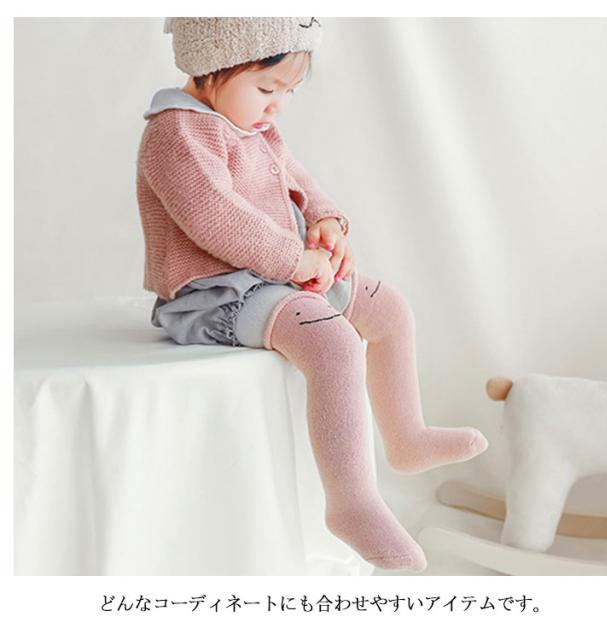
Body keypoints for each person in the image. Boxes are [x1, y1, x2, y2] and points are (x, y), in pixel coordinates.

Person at [136, 17, 489, 572]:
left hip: (277, 274)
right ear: (209, 67)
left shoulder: (253, 126)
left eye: (288, 93)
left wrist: (327, 223)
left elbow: (300, 180)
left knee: (389, 308)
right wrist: (297, 261)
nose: (277, 106)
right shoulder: (176, 133)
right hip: (214, 294)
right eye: (266, 88)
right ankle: (351, 503)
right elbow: (216, 219)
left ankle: (406, 435)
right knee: (334, 344)